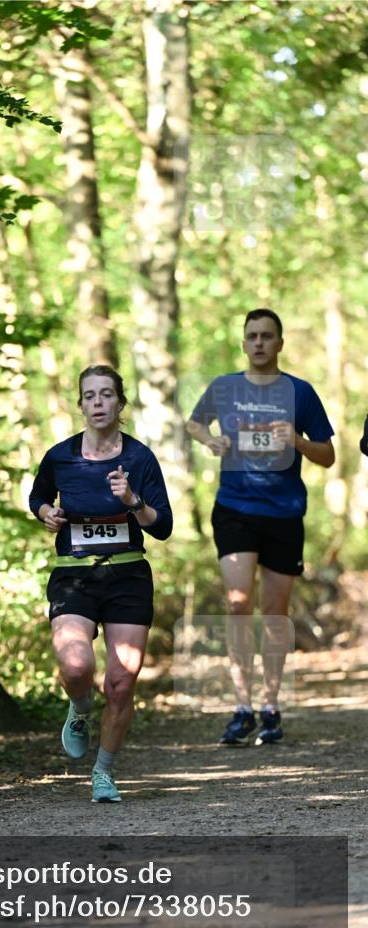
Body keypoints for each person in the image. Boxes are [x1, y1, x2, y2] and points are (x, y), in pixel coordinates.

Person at [186, 308, 335, 746]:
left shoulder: (300, 393)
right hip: (235, 508)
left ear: (280, 343)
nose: (259, 343)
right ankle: (241, 706)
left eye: (267, 336)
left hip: (284, 513)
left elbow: (328, 456)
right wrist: (210, 440)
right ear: (243, 341)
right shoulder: (224, 387)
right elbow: (194, 422)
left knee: (274, 614)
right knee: (237, 603)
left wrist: (297, 441)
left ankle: (270, 707)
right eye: (251, 336)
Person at [29, 365, 173, 802]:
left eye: (106, 394)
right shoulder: (60, 457)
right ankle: (79, 708)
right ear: (80, 404)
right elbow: (38, 497)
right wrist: (44, 514)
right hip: (74, 576)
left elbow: (163, 526)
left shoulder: (140, 459)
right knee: (76, 668)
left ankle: (104, 772)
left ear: (119, 403)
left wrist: (134, 502)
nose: (98, 403)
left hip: (128, 574)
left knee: (122, 682)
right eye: (89, 395)